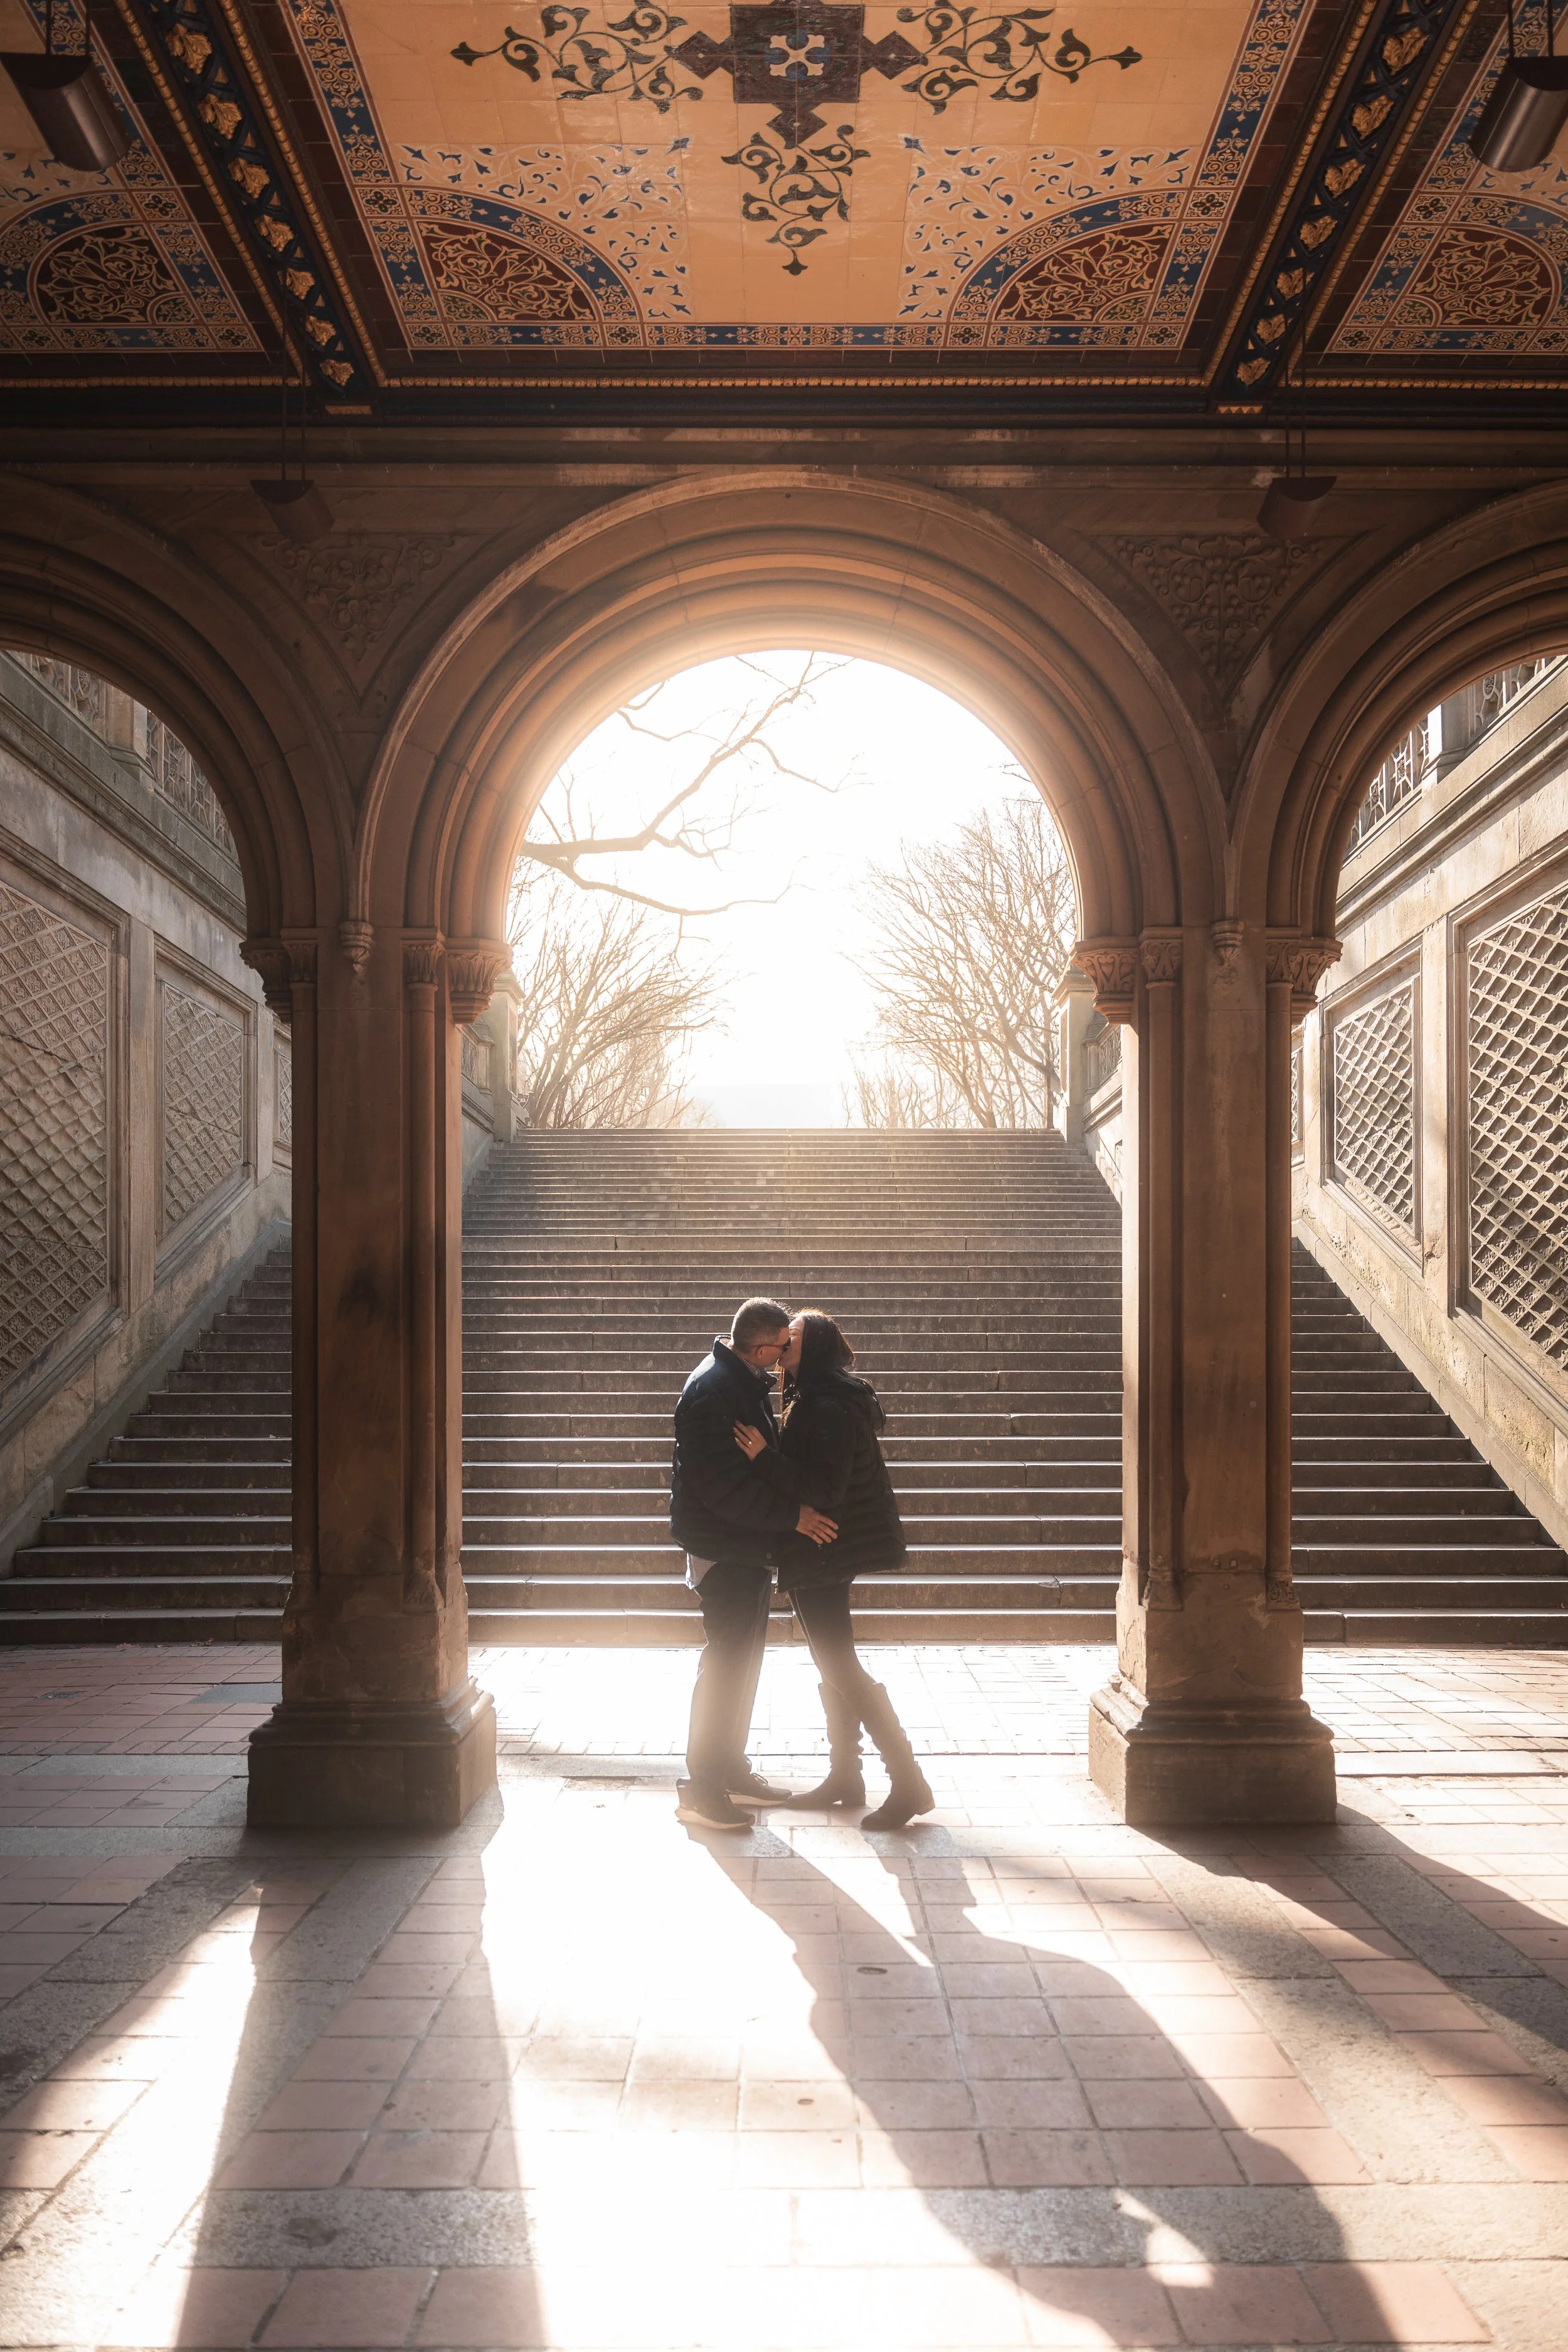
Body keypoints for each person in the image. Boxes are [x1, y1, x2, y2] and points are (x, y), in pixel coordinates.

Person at [734, 1308, 935, 1830]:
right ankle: (846, 1776)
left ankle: (908, 1780)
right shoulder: (815, 1395)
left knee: (841, 1665)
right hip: (822, 1553)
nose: (781, 1344)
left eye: (792, 1338)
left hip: (824, 1551)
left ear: (814, 1346)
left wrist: (763, 1457)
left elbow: (823, 1488)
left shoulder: (826, 1404)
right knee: (833, 1666)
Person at [669, 1296, 838, 1830]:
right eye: (783, 1346)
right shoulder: (713, 1391)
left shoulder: (737, 1379)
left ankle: (729, 1769)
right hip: (725, 1547)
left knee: (741, 1663)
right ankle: (702, 1787)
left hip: (743, 1545)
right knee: (725, 1665)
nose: (788, 1353)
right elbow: (722, 1489)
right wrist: (793, 1517)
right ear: (763, 1348)